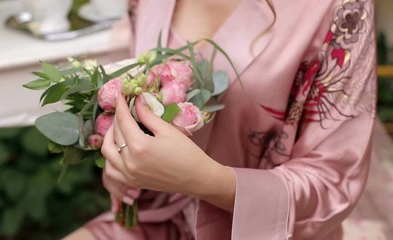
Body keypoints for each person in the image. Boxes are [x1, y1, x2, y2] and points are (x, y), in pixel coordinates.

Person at [65, 0, 377, 239]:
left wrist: (206, 180)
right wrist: (122, 162)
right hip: (154, 219)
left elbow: (333, 182)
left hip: (265, 230)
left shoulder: (340, 9)